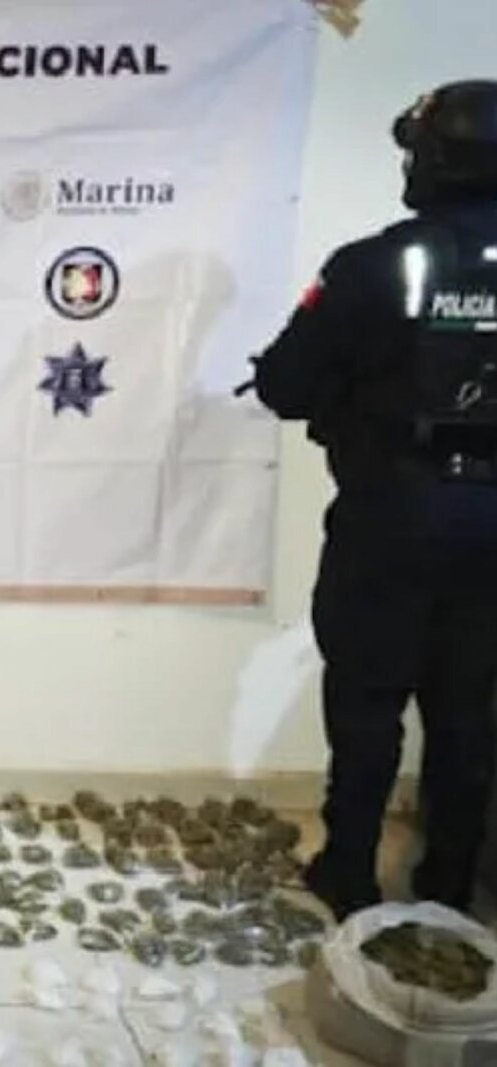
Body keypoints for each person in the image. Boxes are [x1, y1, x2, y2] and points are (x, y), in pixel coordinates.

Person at [254, 81, 497, 918]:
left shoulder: (378, 265)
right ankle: (450, 886)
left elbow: (284, 385)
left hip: (396, 513)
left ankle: (349, 873)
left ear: (433, 160)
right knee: (470, 708)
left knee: (366, 701)